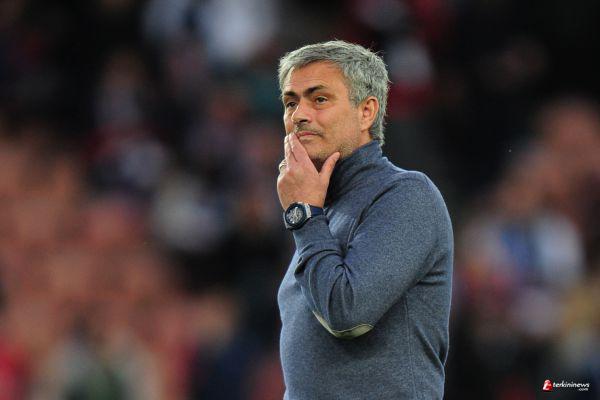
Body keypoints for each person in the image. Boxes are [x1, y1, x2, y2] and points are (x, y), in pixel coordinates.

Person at [275, 40, 454, 399]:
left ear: (366, 112)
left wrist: (304, 215)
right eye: (291, 102)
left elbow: (347, 314)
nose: (299, 115)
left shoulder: (406, 195)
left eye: (319, 99)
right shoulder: (321, 209)